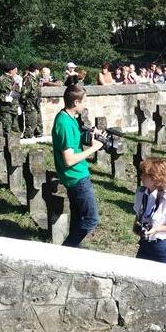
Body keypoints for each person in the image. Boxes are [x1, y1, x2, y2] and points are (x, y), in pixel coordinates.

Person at [52, 84, 102, 247]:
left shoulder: (67, 117)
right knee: (91, 218)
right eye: (84, 101)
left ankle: (71, 251)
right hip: (76, 176)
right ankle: (67, 248)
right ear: (75, 102)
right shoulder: (65, 124)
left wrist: (89, 135)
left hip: (75, 176)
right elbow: (69, 159)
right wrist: (94, 149)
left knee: (78, 217)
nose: (85, 104)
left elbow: (73, 140)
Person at [132, 157, 166, 264]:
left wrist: (157, 229)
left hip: (162, 247)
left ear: (155, 179)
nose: (141, 176)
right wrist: (136, 227)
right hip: (145, 245)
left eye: (145, 175)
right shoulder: (141, 193)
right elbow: (139, 214)